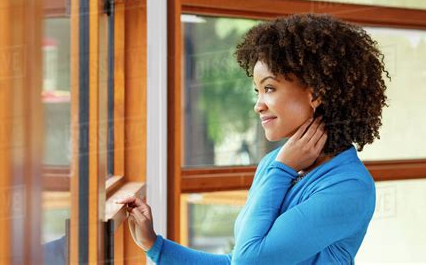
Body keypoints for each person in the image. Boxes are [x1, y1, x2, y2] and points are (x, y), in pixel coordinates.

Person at [117, 13, 390, 264]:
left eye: (269, 88)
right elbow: (234, 260)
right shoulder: (276, 163)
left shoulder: (349, 187)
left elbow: (250, 262)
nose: (258, 104)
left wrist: (281, 168)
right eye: (257, 91)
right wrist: (154, 245)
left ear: (316, 93)